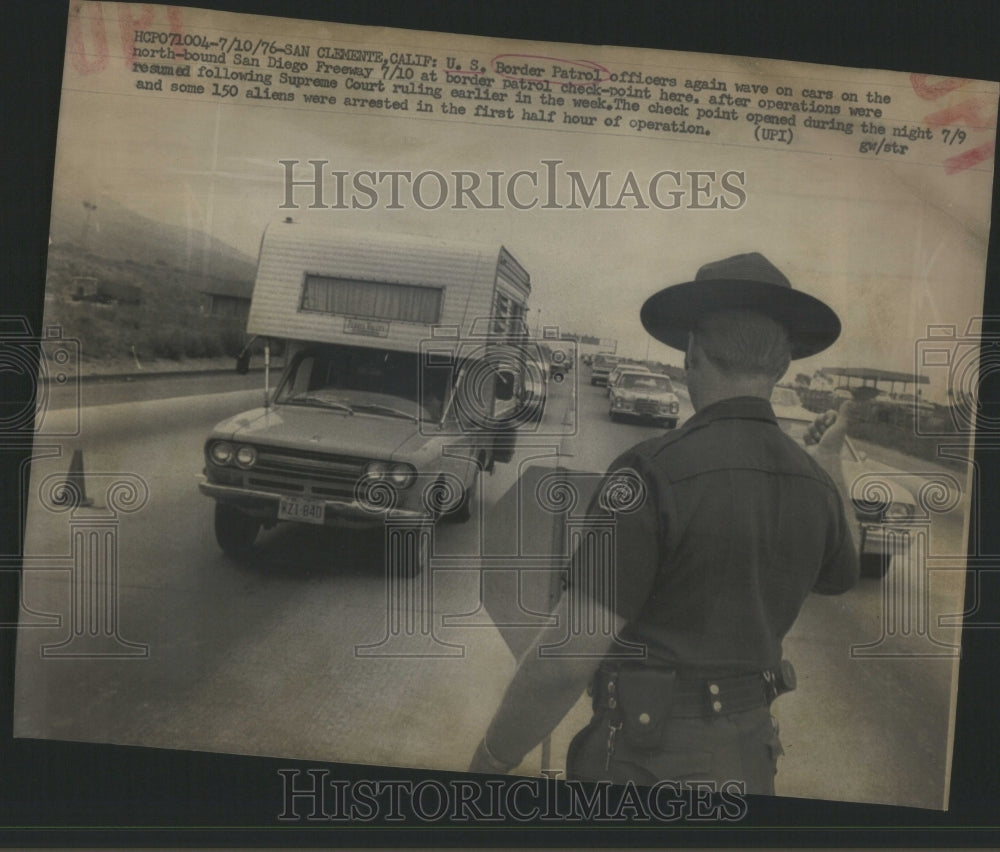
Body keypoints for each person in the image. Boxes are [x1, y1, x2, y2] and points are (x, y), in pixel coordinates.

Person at [469, 252, 860, 793]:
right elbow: (844, 574)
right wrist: (834, 464)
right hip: (751, 761)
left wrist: (492, 759)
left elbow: (566, 660)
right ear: (783, 365)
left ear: (692, 352)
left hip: (641, 764)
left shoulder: (649, 472)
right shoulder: (815, 484)